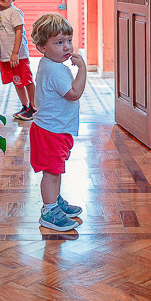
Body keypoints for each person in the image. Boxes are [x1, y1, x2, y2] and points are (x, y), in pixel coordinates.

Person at [28, 13, 86, 232]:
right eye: (59, 43)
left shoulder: (50, 65)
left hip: (53, 129)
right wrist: (83, 70)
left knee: (55, 169)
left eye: (68, 41)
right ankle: (49, 211)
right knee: (52, 172)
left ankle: (54, 200)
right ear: (42, 47)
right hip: (51, 131)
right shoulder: (55, 70)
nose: (67, 47)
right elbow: (74, 93)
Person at [0, 0, 36, 121]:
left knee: (26, 79)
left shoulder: (14, 12)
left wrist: (15, 53)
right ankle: (25, 106)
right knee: (17, 81)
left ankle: (34, 106)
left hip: (18, 55)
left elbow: (19, 32)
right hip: (6, 55)